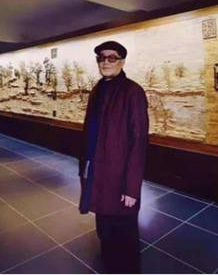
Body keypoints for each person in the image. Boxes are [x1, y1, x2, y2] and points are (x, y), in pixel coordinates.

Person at [78, 40, 149, 274]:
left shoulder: (132, 92)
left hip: (119, 178)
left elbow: (139, 142)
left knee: (124, 236)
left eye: (112, 58)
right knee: (104, 230)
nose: (106, 62)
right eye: (101, 58)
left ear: (122, 62)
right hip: (97, 172)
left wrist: (131, 188)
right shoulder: (98, 90)